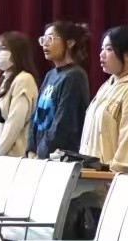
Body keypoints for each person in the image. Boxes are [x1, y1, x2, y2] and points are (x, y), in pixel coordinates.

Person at [80, 27, 128, 170]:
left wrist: (116, 169)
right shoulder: (108, 84)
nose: (101, 54)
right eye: (102, 49)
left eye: (109, 49)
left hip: (111, 176)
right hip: (91, 173)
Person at [31, 21, 90, 158]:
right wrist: (31, 149)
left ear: (70, 43)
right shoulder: (50, 75)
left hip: (58, 156)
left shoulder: (74, 76)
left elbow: (63, 123)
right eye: (43, 39)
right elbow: (36, 117)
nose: (45, 44)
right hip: (40, 155)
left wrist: (42, 153)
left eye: (50, 38)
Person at [0, 32, 38, 157]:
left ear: (17, 52)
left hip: (13, 156)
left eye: (3, 48)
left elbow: (15, 123)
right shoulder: (3, 79)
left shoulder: (24, 79)